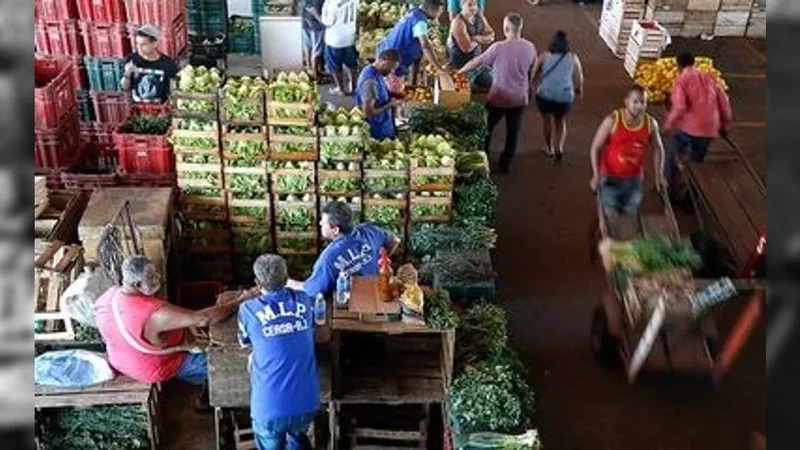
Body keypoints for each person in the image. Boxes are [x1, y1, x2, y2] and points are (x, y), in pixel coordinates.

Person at [94, 256, 251, 406]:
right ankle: (213, 386)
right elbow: (203, 319)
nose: (158, 278)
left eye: (156, 273)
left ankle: (206, 384)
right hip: (151, 367)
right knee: (229, 363)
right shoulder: (153, 312)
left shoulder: (108, 296)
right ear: (137, 285)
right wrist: (240, 301)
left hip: (119, 359)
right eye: (152, 277)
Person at [238, 254, 320, 450]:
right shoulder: (305, 301)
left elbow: (245, 342)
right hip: (307, 405)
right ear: (286, 279)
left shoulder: (248, 309)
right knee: (298, 437)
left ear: (257, 283)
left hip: (268, 410)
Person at [457, 13, 536, 173]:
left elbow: (476, 61)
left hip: (498, 98)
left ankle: (483, 160)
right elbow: (532, 71)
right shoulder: (530, 47)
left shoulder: (498, 47)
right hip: (519, 98)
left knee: (486, 128)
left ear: (506, 28)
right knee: (513, 132)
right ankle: (505, 164)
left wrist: (459, 72)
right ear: (520, 28)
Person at [287, 201, 402, 298]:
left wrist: (289, 283)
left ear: (336, 230)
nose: (320, 223)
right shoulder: (370, 231)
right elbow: (395, 240)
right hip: (378, 291)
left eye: (323, 222)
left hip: (351, 303)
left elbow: (313, 291)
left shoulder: (329, 258)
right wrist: (382, 261)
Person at [589, 86, 667, 217]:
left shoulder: (650, 124)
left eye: (643, 102)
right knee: (612, 217)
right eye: (635, 101)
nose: (639, 106)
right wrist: (596, 175)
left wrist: (659, 174)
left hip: (634, 180)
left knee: (629, 216)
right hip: (609, 178)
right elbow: (595, 147)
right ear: (626, 102)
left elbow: (658, 148)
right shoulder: (612, 121)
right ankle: (602, 228)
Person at [663, 51, 733, 186]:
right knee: (697, 161)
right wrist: (724, 124)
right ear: (694, 63)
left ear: (678, 66)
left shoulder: (681, 81)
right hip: (710, 128)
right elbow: (724, 103)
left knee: (673, 149)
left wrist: (667, 125)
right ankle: (693, 187)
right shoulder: (709, 78)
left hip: (690, 128)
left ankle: (668, 182)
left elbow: (680, 107)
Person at [532, 30, 584, 163]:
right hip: (564, 97)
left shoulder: (544, 56)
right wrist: (578, 90)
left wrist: (533, 87)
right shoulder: (573, 58)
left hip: (545, 95)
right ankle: (559, 148)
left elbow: (534, 75)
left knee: (547, 121)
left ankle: (549, 148)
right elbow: (579, 78)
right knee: (560, 122)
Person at [376, 0, 447, 87]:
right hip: (390, 63)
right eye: (440, 12)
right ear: (433, 10)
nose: (439, 15)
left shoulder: (414, 12)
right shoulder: (420, 22)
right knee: (391, 92)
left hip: (386, 54)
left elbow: (418, 49)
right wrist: (438, 67)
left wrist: (414, 81)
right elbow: (425, 46)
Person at [120, 25, 179, 104]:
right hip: (137, 109)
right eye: (137, 43)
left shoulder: (167, 64)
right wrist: (127, 74)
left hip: (160, 110)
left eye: (143, 44)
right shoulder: (131, 60)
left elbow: (172, 91)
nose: (139, 47)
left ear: (154, 44)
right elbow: (124, 88)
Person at [355, 49, 402, 140]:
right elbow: (368, 112)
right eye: (391, 68)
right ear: (384, 62)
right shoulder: (370, 81)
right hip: (376, 132)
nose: (392, 72)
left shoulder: (373, 71)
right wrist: (390, 104)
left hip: (384, 126)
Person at [447, 0, 494, 89]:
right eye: (470, 5)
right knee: (462, 92)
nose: (473, 8)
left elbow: (492, 36)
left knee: (498, 83)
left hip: (478, 66)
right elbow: (467, 48)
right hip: (462, 69)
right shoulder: (458, 22)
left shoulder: (480, 18)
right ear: (462, 6)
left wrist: (476, 38)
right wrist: (483, 39)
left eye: (475, 5)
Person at [319, 0, 360, 95]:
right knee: (352, 64)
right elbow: (357, 13)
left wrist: (316, 15)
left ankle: (341, 89)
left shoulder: (331, 3)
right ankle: (353, 86)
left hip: (334, 40)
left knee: (334, 66)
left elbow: (327, 23)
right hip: (350, 37)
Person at [300, 0, 327, 82]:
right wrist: (321, 20)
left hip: (306, 20)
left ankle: (310, 69)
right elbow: (311, 8)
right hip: (315, 24)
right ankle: (316, 75)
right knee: (316, 50)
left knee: (308, 46)